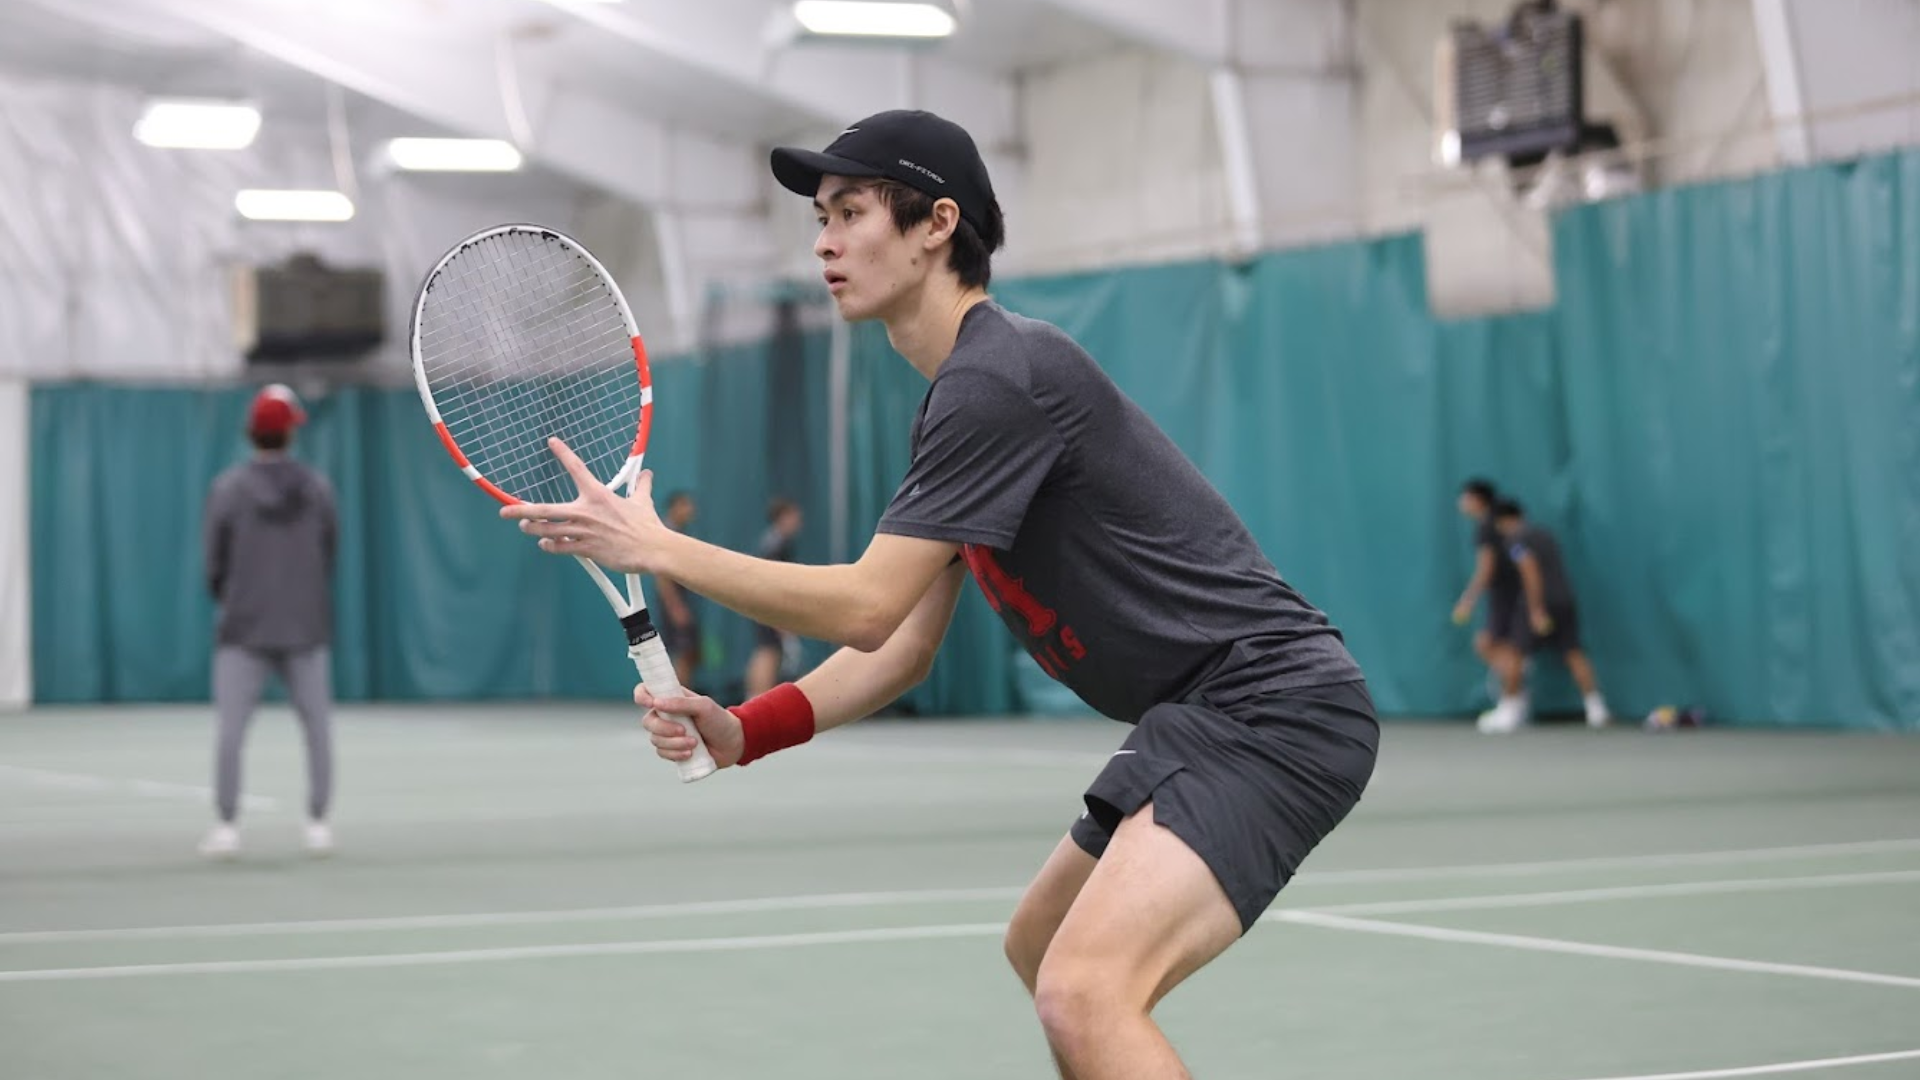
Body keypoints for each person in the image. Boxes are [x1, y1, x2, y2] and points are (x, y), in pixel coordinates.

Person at [502, 109, 1379, 1080]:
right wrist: (746, 731)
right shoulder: (964, 397)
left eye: (851, 210)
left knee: (1084, 995)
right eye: (819, 218)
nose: (825, 239)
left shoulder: (1000, 379)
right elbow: (905, 643)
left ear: (935, 225)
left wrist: (660, 546)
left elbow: (866, 605)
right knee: (1041, 950)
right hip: (1204, 714)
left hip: (1273, 708)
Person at [200, 384, 338, 858]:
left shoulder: (227, 489)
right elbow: (330, 554)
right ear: (289, 435)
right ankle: (318, 823)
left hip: (243, 629)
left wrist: (236, 600)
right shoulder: (319, 488)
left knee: (230, 733)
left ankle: (226, 827)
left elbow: (213, 566)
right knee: (316, 729)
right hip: (305, 627)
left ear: (251, 433)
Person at [1479, 498, 1612, 733]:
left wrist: (1536, 608)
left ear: (1502, 521)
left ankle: (1509, 712)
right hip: (1565, 600)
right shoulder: (1545, 534)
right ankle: (1596, 709)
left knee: (1516, 655)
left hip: (1539, 603)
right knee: (1573, 652)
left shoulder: (1515, 541)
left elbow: (1529, 569)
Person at [1450, 477, 1525, 718]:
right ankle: (1514, 700)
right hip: (1509, 596)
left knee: (1489, 645)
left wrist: (1468, 599)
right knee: (1498, 647)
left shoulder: (1486, 526)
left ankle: (1512, 704)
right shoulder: (1495, 523)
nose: (1460, 502)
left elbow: (1486, 567)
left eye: (1465, 497)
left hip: (1507, 597)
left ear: (1477, 500)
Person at [743, 497, 804, 698]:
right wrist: (778, 618)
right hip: (768, 607)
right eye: (793, 516)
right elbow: (772, 583)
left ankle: (755, 697)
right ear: (782, 517)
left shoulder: (777, 541)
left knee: (768, 650)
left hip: (766, 607)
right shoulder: (775, 545)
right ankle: (756, 698)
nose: (798, 520)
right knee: (768, 651)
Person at [653, 490, 703, 689]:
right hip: (674, 605)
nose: (691, 510)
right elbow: (662, 576)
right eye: (685, 505)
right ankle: (676, 699)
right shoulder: (668, 534)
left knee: (691, 653)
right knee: (683, 651)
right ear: (674, 508)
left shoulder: (680, 532)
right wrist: (675, 607)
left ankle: (679, 695)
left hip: (682, 602)